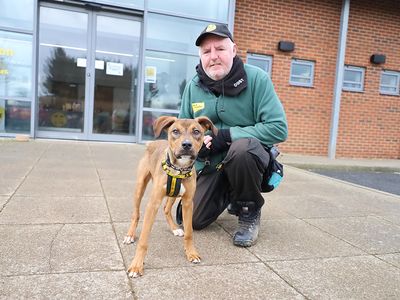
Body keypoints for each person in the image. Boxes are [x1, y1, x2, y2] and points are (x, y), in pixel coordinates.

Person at [177, 23, 288, 247]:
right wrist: (199, 149)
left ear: (234, 51)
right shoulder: (193, 86)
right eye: (206, 52)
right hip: (211, 165)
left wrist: (227, 136)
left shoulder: (257, 79)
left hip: (247, 158)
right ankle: (230, 192)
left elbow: (278, 128)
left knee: (243, 149)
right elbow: (181, 134)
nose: (213, 57)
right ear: (200, 56)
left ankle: (248, 209)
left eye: (220, 49)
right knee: (191, 219)